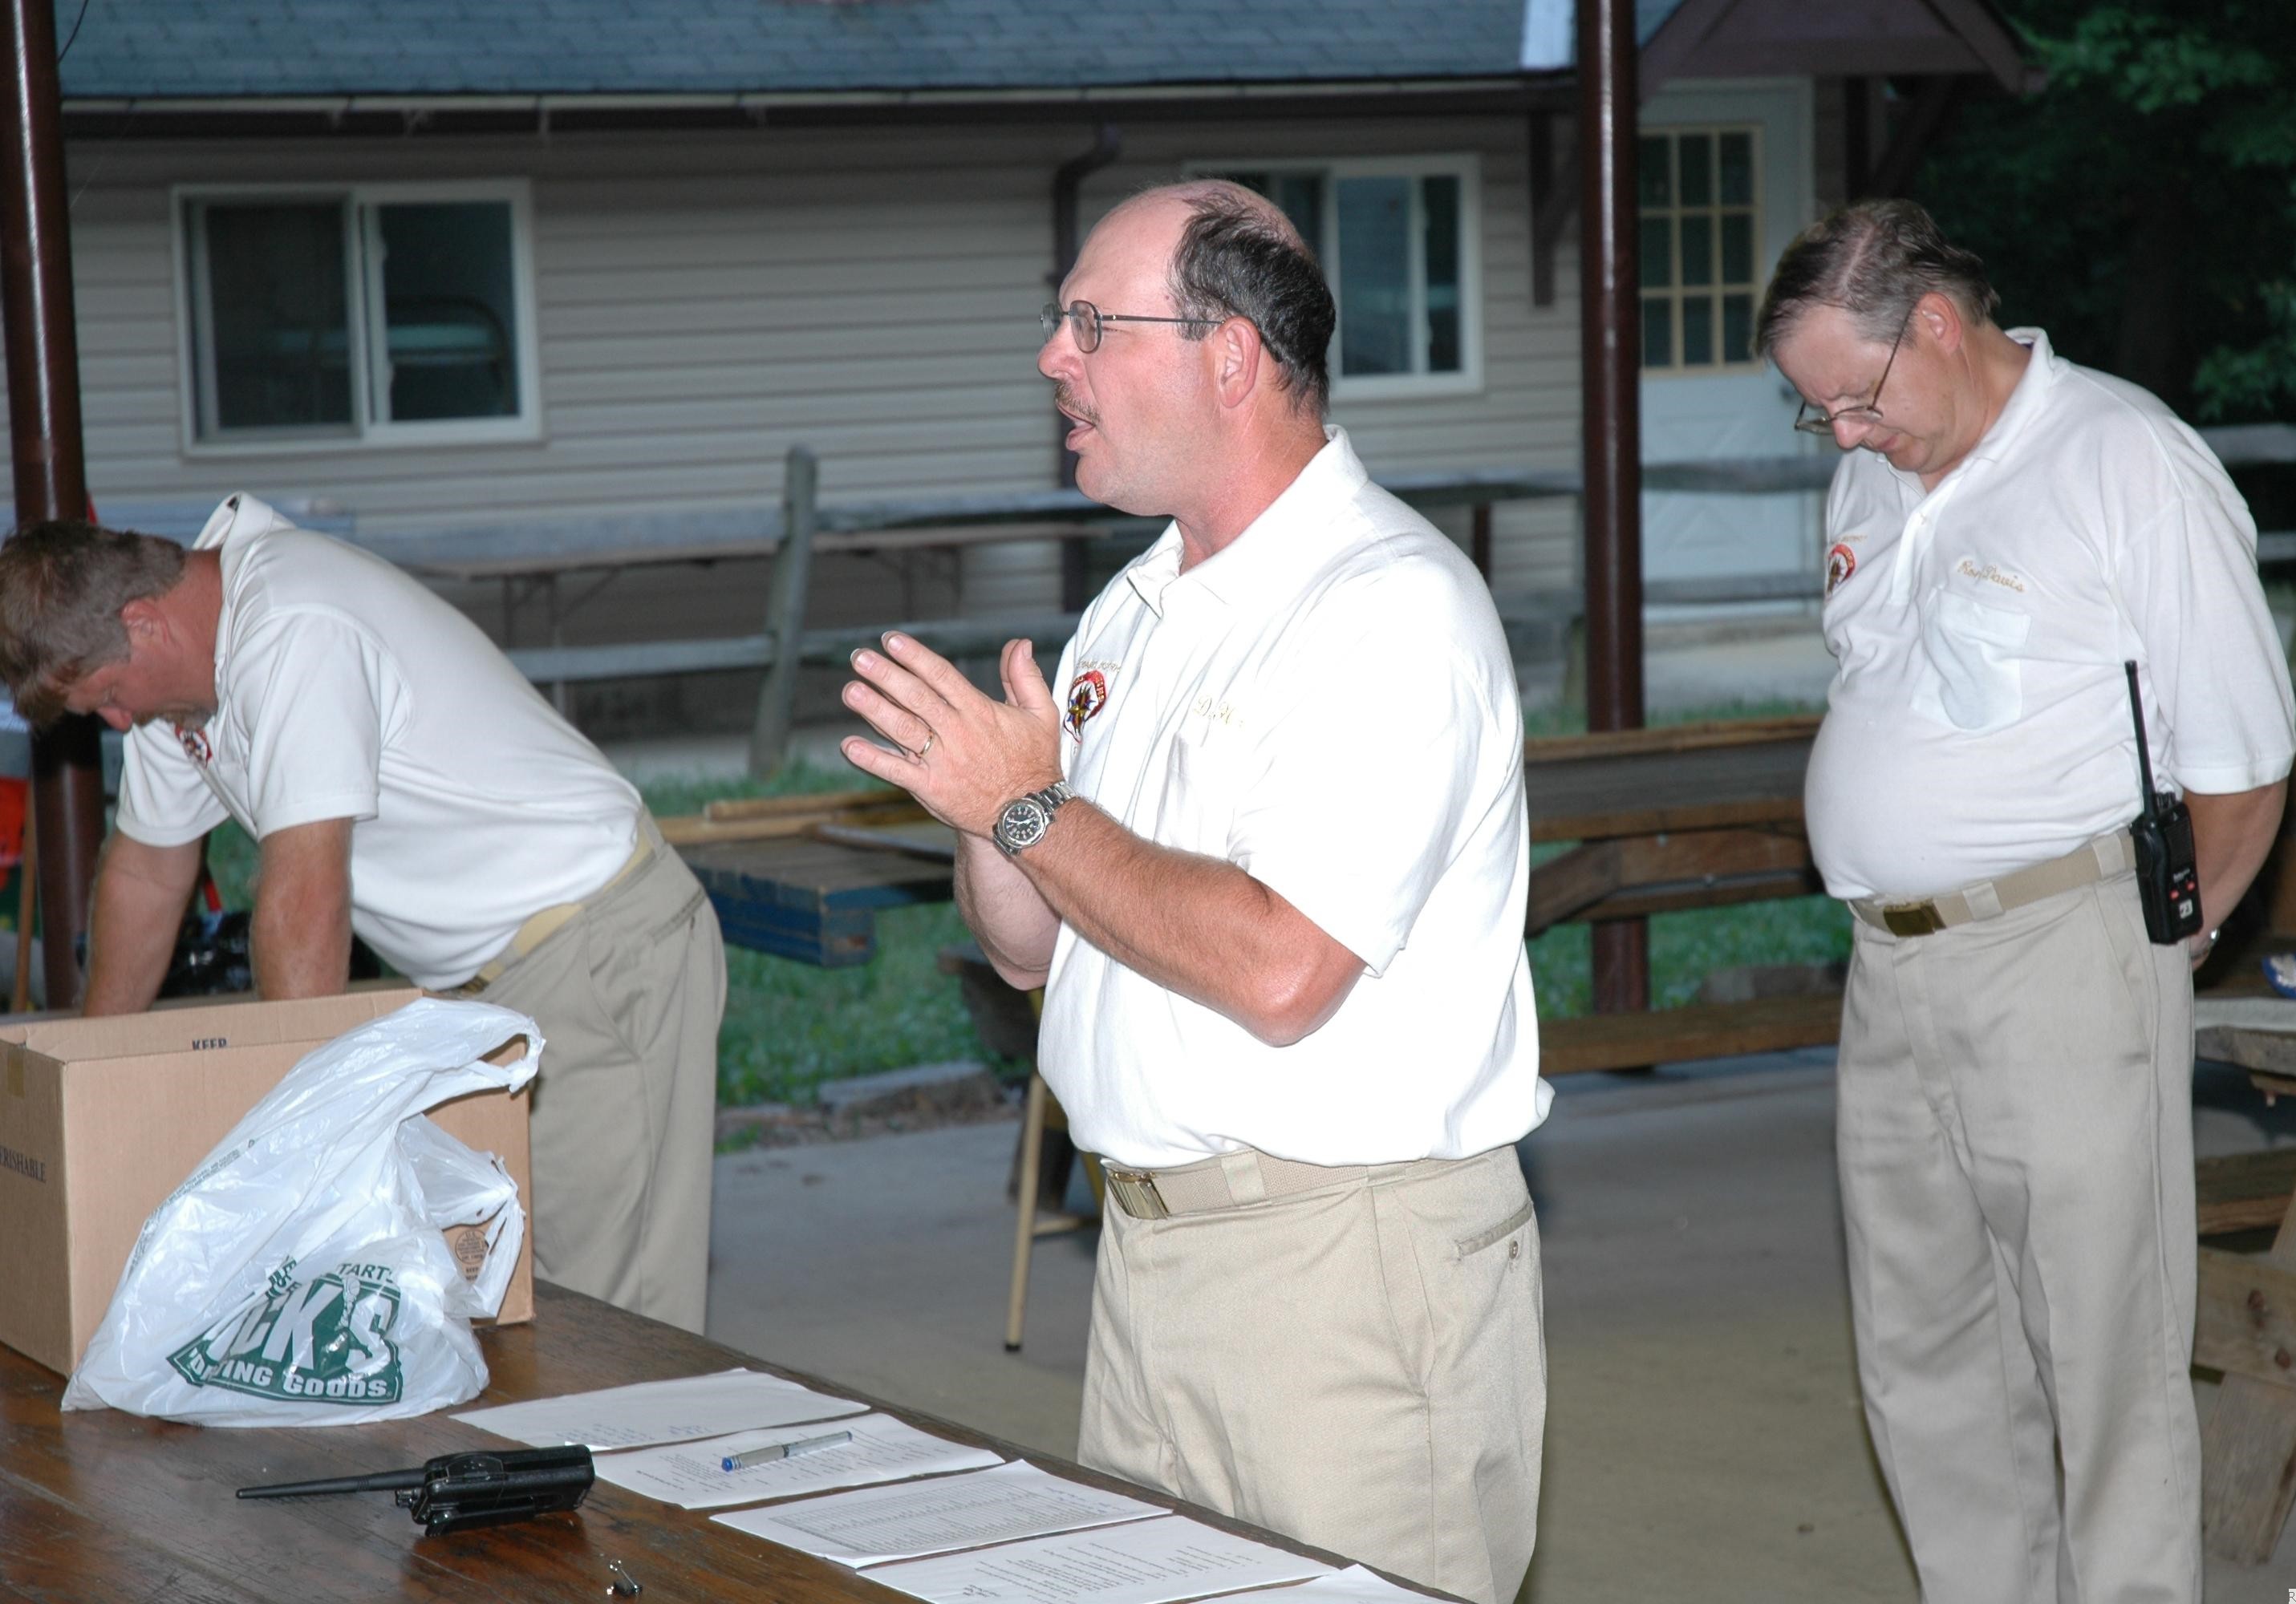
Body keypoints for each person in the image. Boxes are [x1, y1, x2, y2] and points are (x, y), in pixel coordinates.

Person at [838, 180, 1550, 1604]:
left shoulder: (1387, 608)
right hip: (1151, 1261)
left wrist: (1030, 808)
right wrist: (993, 818)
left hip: (1340, 1274)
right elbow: (1034, 951)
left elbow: (1283, 972)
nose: (1054, 357)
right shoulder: (1133, 609)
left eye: (1091, 324)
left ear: (1230, 358)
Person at [1757, 200, 2296, 1602]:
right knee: (1924, 1353)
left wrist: (2154, 949)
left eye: (1856, 399)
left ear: (1937, 325)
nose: (1845, 436)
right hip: (1889, 967)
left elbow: (2243, 765)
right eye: (1819, 413)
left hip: (2062, 951)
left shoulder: (2123, 459)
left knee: (2104, 1354)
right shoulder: (1873, 474)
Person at [0, 500, 725, 1333]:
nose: (119, 721)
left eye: (109, 697)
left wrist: (301, 1134)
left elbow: (306, 895)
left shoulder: (295, 624)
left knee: (612, 1325)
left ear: (143, 621)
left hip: (596, 948)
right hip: (476, 992)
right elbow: (146, 874)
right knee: (492, 1298)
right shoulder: (185, 686)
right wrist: (92, 1082)